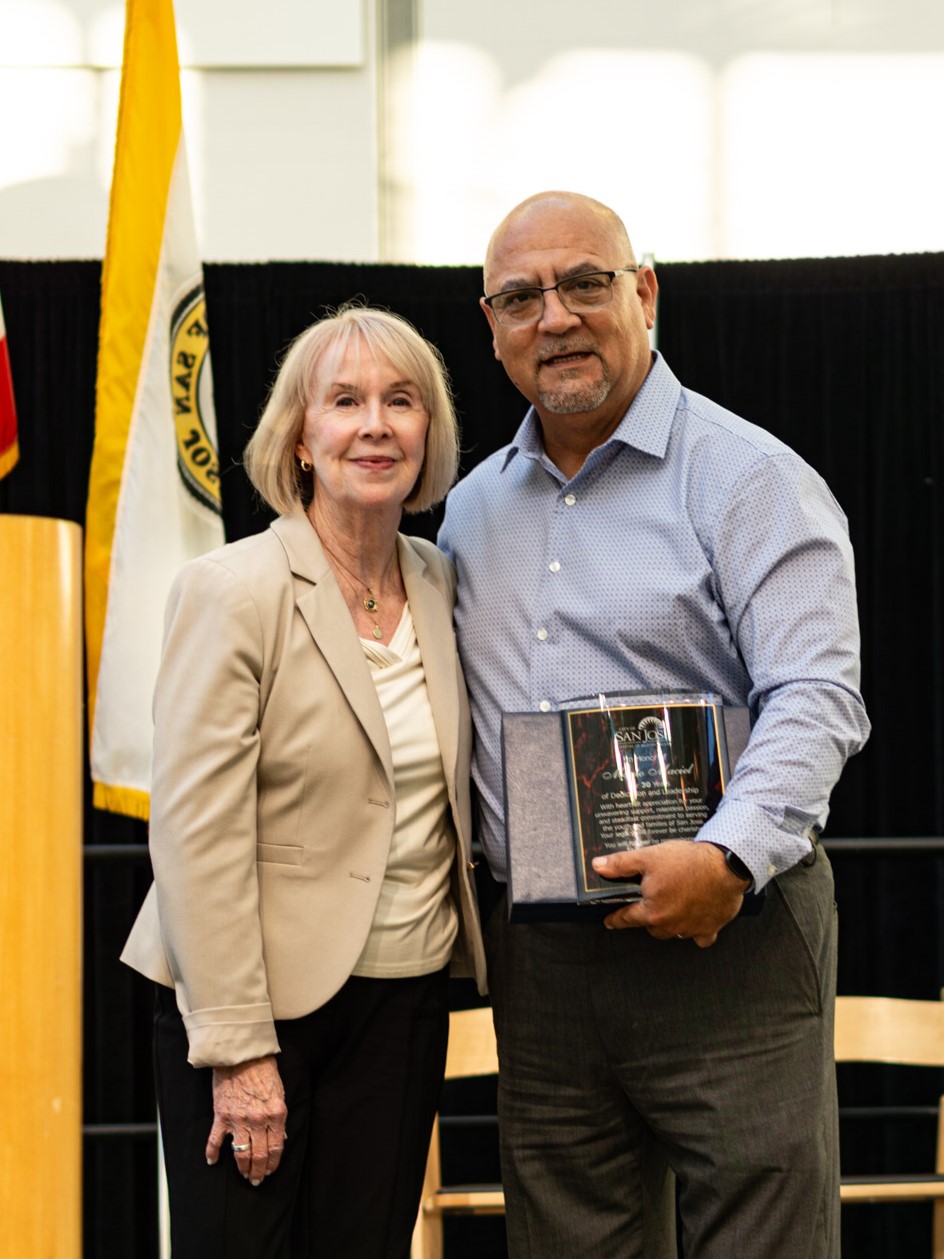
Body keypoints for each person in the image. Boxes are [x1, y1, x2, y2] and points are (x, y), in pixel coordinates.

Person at [438, 191, 870, 1258]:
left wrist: (724, 856)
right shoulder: (468, 509)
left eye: (585, 283)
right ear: (488, 326)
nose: (556, 316)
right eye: (520, 296)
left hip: (728, 933)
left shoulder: (748, 479)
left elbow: (816, 696)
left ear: (643, 294)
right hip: (542, 961)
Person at [121, 304, 487, 1259]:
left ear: (429, 433)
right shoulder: (233, 590)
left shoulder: (447, 583)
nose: (376, 424)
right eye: (346, 401)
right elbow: (194, 837)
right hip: (254, 1005)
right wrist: (240, 1049)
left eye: (401, 401)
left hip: (404, 998)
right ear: (299, 439)